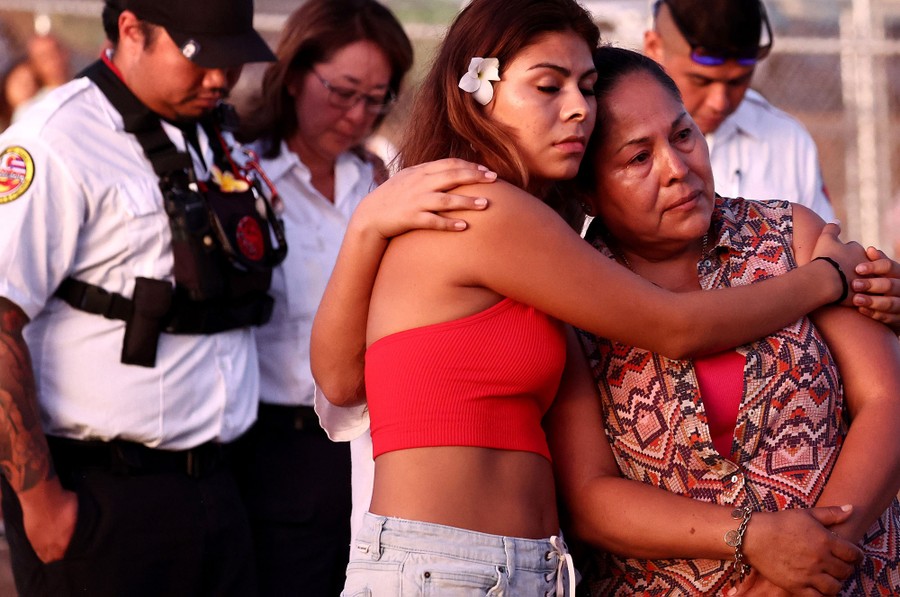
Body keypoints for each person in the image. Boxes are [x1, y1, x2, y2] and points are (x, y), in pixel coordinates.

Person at [308, 0, 869, 593]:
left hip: (510, 567)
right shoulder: (484, 207)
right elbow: (674, 327)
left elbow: (344, 384)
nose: (579, 108)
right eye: (548, 86)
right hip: (450, 567)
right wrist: (826, 278)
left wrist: (369, 226)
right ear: (477, 91)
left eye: (588, 86)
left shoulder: (529, 231)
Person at [547, 46, 900, 596]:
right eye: (638, 158)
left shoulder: (792, 238)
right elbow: (589, 496)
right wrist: (752, 539)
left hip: (850, 576)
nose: (677, 168)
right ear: (588, 189)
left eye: (683, 135)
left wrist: (813, 560)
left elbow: (887, 401)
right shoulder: (576, 295)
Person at [0, 0, 282, 594]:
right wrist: (41, 503)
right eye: (200, 59)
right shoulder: (57, 140)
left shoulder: (214, 135)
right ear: (132, 29)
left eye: (232, 61)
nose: (218, 79)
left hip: (218, 487)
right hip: (102, 496)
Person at [231, 1, 416, 594]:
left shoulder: (380, 179)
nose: (357, 114)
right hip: (272, 443)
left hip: (369, 443)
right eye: (342, 92)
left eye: (376, 98)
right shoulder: (240, 173)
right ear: (292, 73)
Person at [644, 0, 836, 223]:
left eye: (738, 81)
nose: (720, 102)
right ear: (654, 48)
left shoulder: (788, 140)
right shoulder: (612, 132)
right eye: (701, 80)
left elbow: (825, 243)